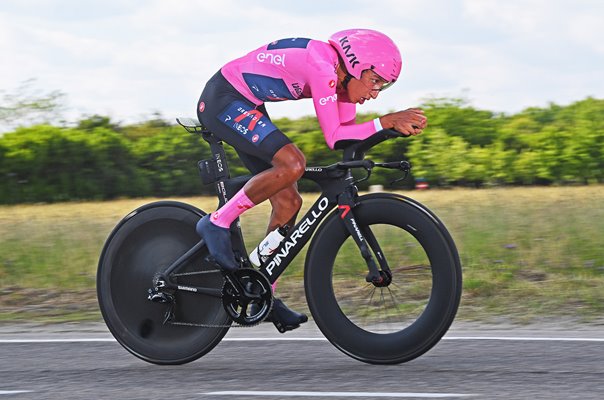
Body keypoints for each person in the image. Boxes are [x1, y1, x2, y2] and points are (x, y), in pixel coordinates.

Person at [195, 28, 427, 332]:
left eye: (382, 88)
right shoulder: (323, 67)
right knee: (293, 164)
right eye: (375, 82)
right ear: (355, 65)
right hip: (222, 99)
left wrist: (388, 130)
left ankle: (262, 294)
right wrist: (385, 121)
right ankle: (217, 222)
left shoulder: (343, 82)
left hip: (247, 103)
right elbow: (334, 136)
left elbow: (347, 137)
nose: (374, 93)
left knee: (289, 201)